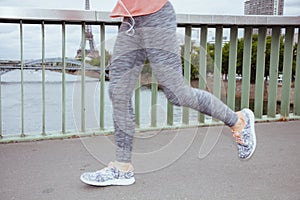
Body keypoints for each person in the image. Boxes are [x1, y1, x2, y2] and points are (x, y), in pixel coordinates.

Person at [80, 0, 256, 186]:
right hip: (130, 21)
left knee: (176, 93)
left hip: (156, 14)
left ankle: (238, 120)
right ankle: (122, 167)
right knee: (118, 90)